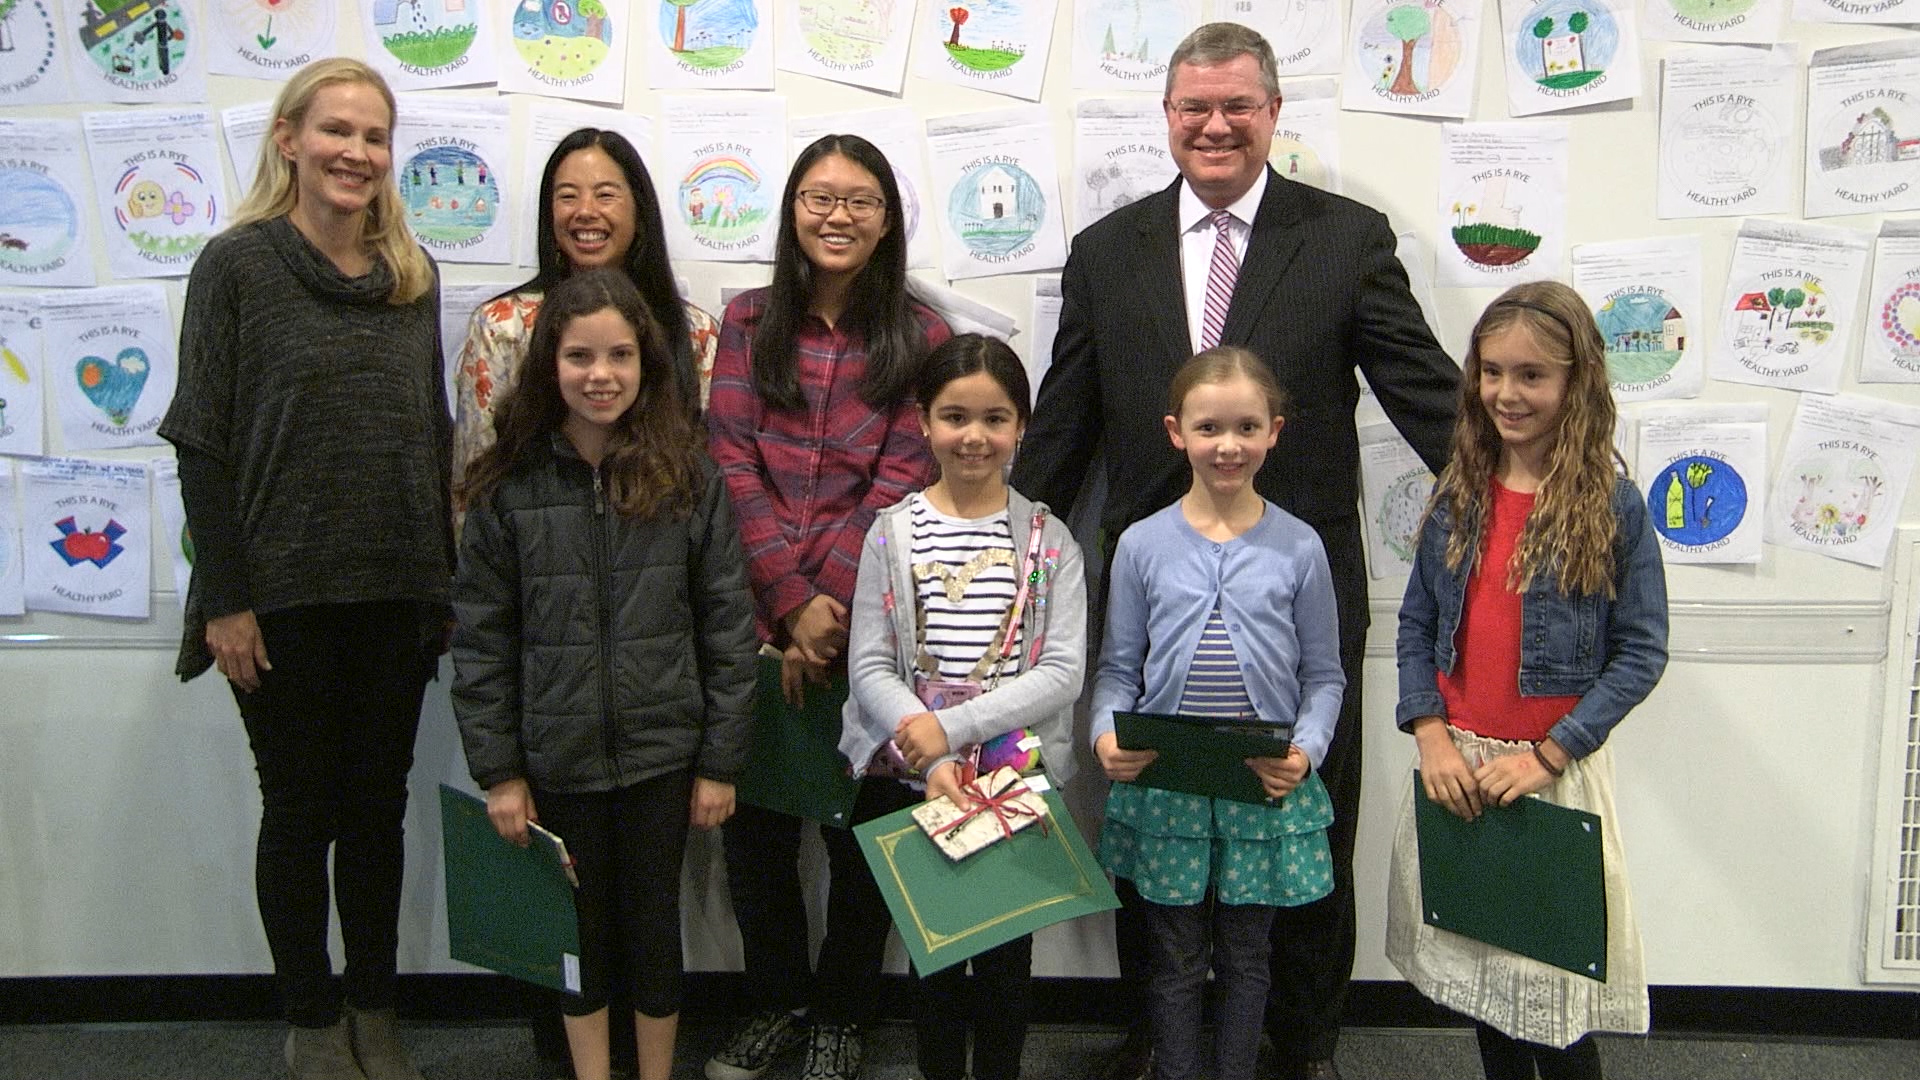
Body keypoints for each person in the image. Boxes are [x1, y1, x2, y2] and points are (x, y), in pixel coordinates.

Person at [1007, 22, 1460, 1080]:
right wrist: (998, 558)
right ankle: (1161, 1041)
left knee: (1301, 819)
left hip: (1298, 605)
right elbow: (1063, 429)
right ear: (1166, 117)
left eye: (1238, 107)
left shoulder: (1346, 240)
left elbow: (1432, 399)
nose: (1215, 126)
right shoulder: (1108, 252)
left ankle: (1299, 1049)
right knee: (1151, 824)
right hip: (1152, 608)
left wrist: (1555, 487)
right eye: (1194, 108)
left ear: (1272, 115)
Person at [159, 57, 448, 1080]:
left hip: (396, 594)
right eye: (338, 131)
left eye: (375, 136)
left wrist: (441, 587)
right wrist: (226, 601)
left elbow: (429, 432)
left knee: (379, 811)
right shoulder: (235, 265)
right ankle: (312, 1018)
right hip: (279, 600)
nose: (357, 153)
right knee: (300, 812)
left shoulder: (411, 273)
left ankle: (376, 1007)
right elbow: (201, 441)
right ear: (289, 138)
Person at [451, 268, 759, 1080]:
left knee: (654, 931)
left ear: (647, 363)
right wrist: (501, 773)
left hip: (664, 755)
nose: (601, 375)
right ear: (549, 362)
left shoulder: (689, 478)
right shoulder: (506, 488)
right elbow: (481, 645)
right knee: (578, 934)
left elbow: (728, 626)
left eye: (620, 355)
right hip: (555, 760)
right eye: (581, 356)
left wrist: (720, 761)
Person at [704, 132, 951, 1080]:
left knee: (864, 832)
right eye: (818, 196)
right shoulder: (746, 318)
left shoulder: (921, 337)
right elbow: (727, 459)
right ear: (792, 209)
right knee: (757, 829)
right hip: (752, 621)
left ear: (887, 219)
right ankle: (776, 1001)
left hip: (873, 628)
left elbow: (903, 476)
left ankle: (844, 1011)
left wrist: (828, 607)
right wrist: (787, 601)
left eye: (859, 200)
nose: (837, 215)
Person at [1387, 282, 1667, 1080]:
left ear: (1578, 382)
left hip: (1550, 778)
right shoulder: (1460, 495)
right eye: (1491, 371)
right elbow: (1415, 626)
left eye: (1532, 375)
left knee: (1556, 1002)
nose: (1507, 393)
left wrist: (1547, 756)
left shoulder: (1612, 504)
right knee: (1485, 991)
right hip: (1460, 771)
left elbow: (1642, 651)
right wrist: (1431, 734)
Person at [1089, 348, 1343, 1080]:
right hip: (1165, 785)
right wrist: (1105, 733)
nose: (1227, 445)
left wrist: (1308, 749)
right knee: (1170, 957)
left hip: (1260, 786)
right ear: (1176, 433)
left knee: (1247, 955)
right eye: (1209, 427)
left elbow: (1323, 674)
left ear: (1274, 432)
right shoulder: (1142, 544)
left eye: (1245, 427)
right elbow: (1116, 668)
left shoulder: (1300, 546)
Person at [840, 333, 1086, 1080]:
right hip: (912, 774)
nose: (974, 436)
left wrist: (949, 728)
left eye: (995, 417)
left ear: (1022, 426)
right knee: (935, 956)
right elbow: (870, 664)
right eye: (955, 416)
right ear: (923, 421)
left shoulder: (1050, 540)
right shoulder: (892, 532)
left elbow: (1063, 670)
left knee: (1008, 956)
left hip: (1011, 777)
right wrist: (934, 754)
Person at [454, 127, 720, 486]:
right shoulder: (503, 327)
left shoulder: (694, 333)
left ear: (639, 212)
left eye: (605, 195)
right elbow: (475, 477)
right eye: (567, 196)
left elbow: (707, 483)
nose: (585, 211)